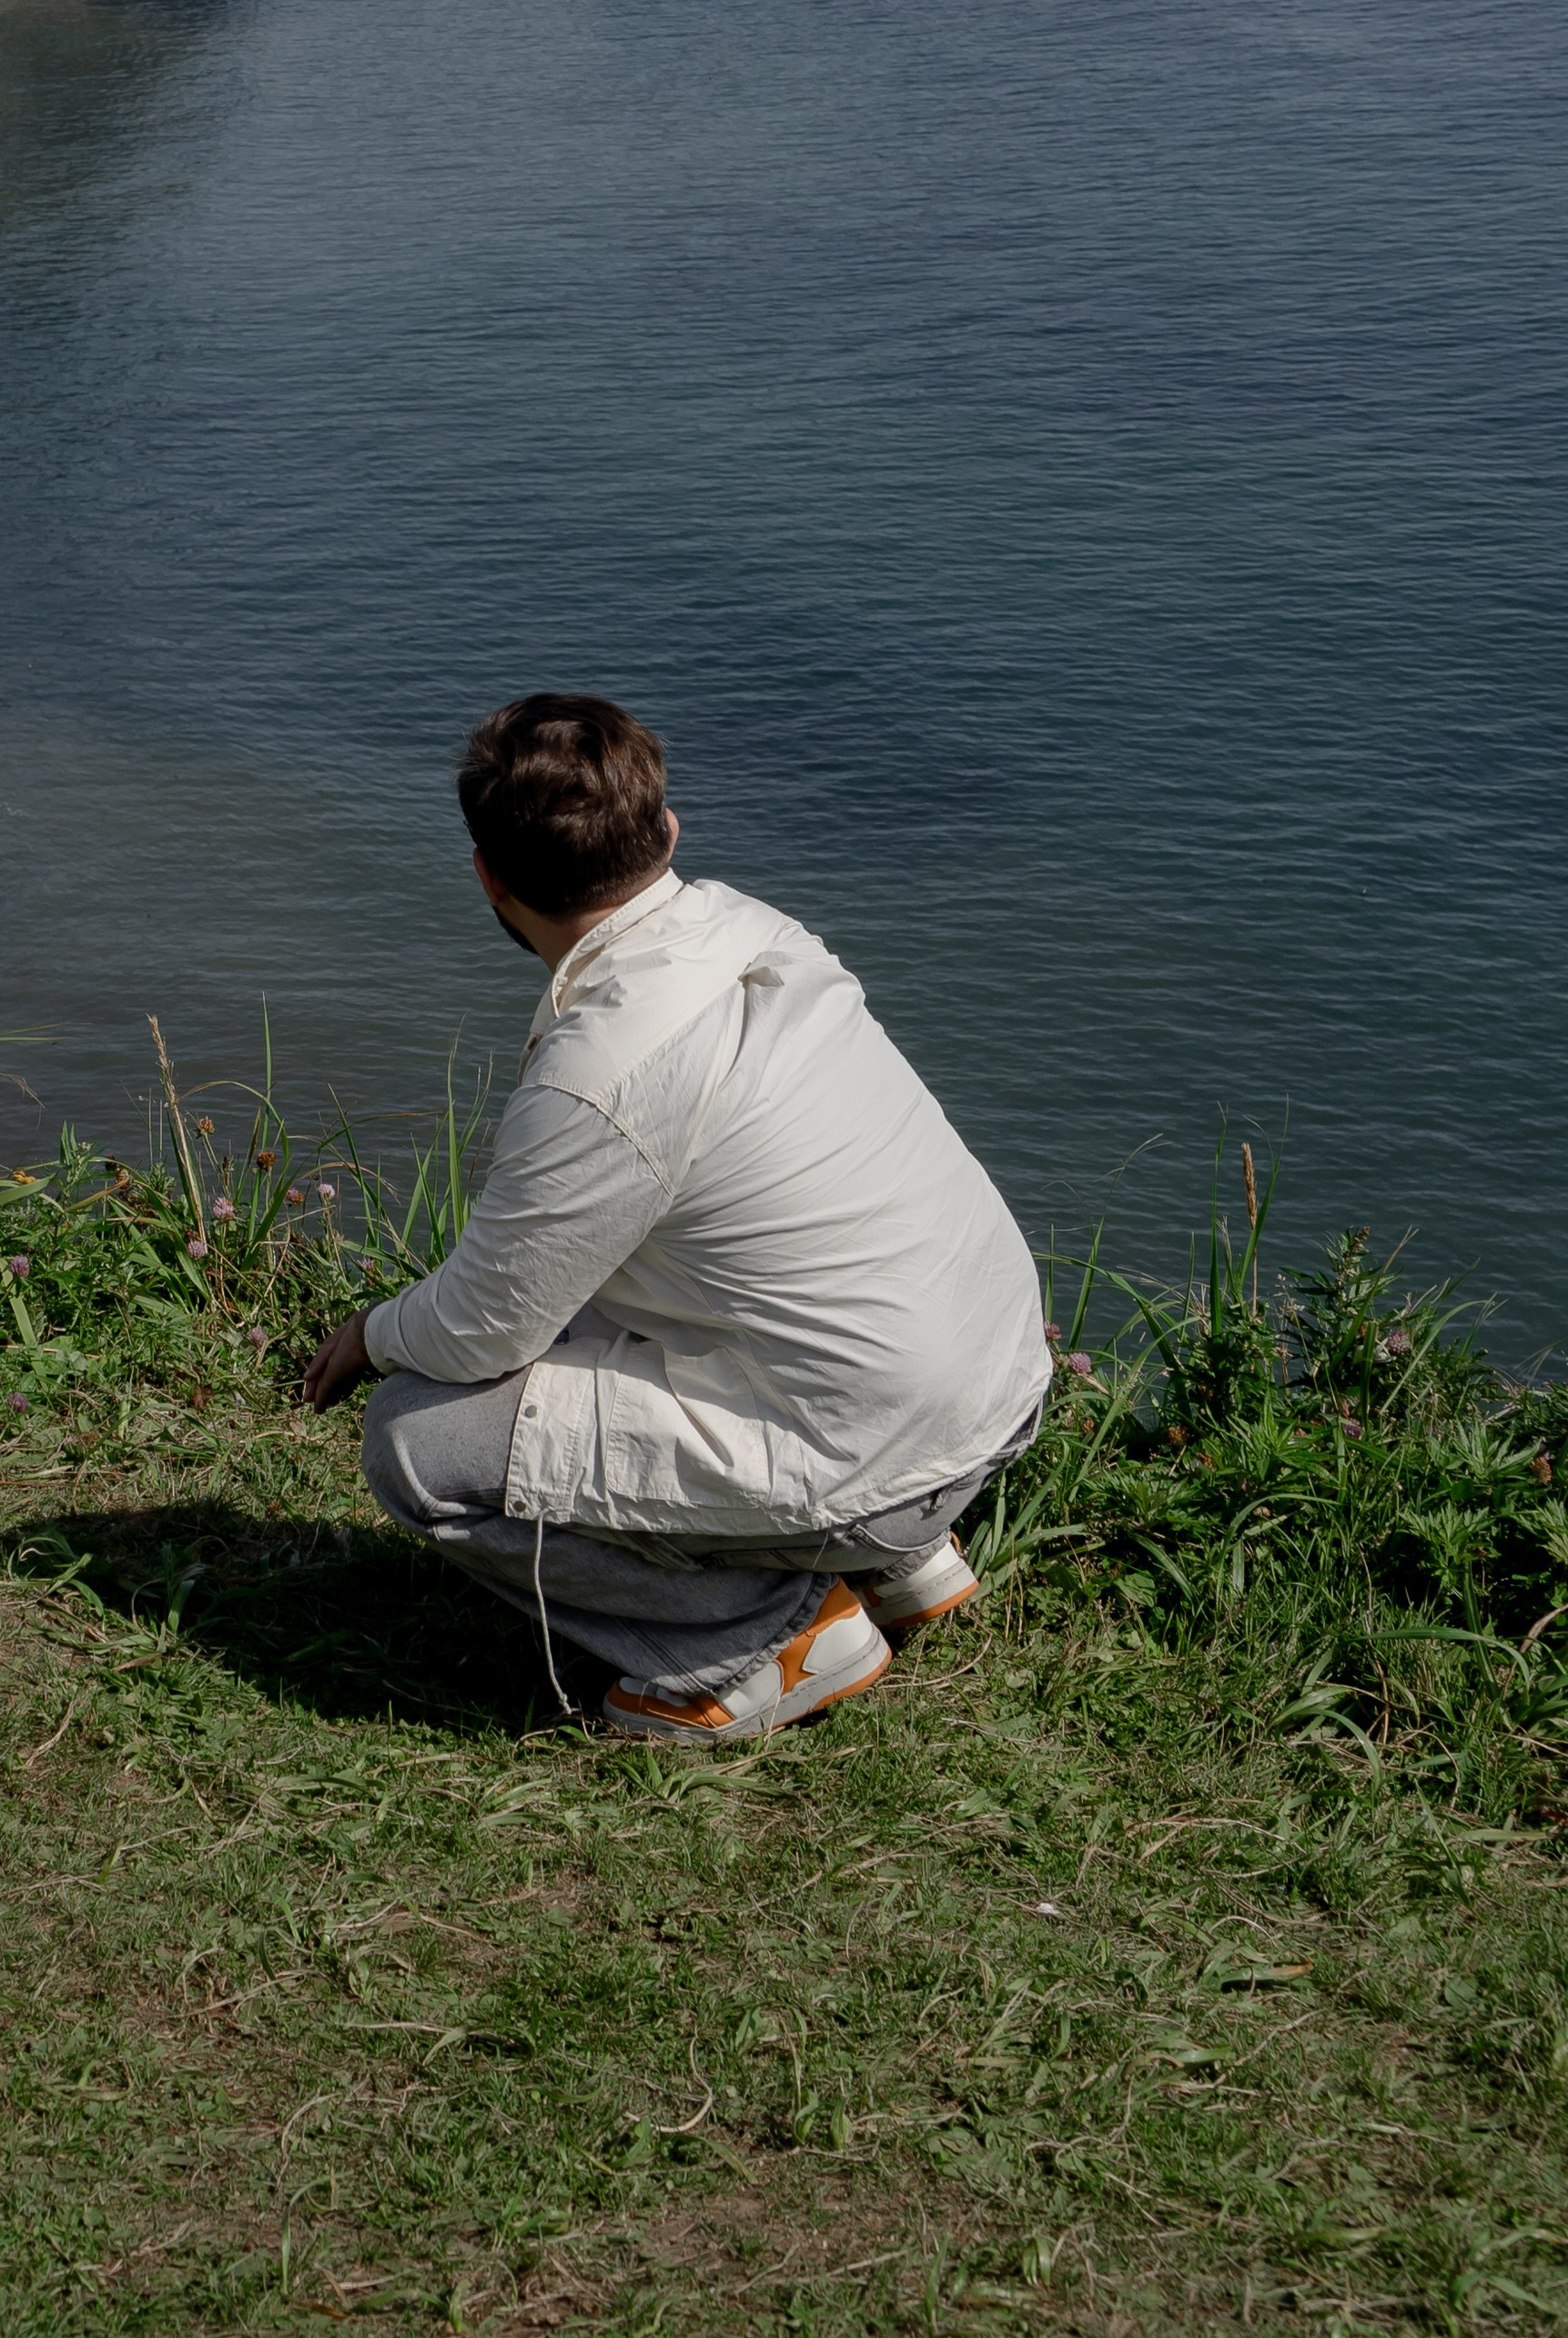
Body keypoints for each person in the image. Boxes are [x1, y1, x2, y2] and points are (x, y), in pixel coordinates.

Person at [300, 694, 1051, 1748]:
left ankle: (763, 1643)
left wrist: (373, 1334)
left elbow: (485, 1330)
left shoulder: (599, 1076)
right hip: (995, 1387)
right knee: (680, 1279)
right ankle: (902, 1563)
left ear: (487, 878)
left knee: (419, 1440)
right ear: (666, 833)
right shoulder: (758, 937)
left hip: (884, 1454)